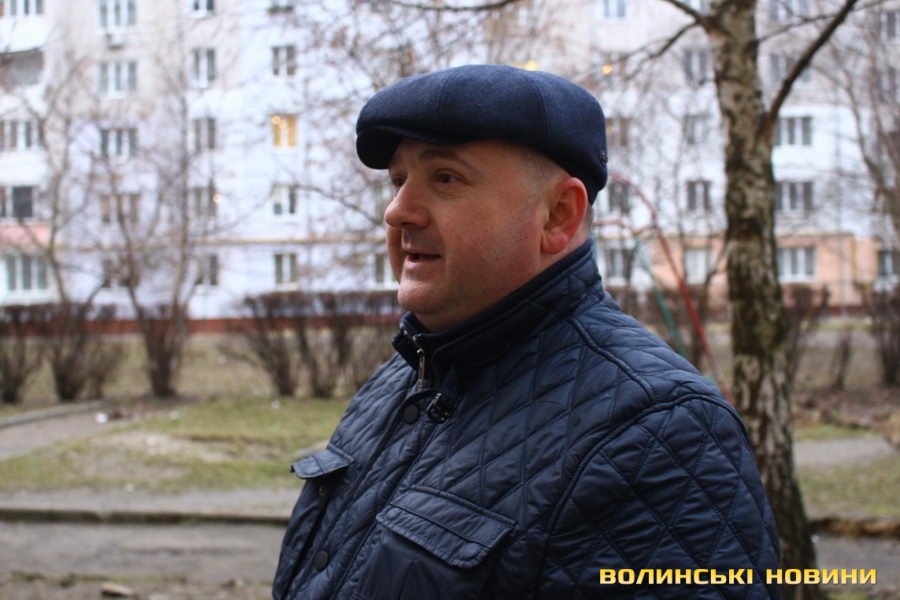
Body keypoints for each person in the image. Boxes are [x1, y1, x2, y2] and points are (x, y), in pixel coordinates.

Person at [273, 64, 781, 600]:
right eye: (399, 181)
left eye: (445, 178)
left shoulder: (658, 433)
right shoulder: (402, 380)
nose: (397, 211)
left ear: (558, 215)